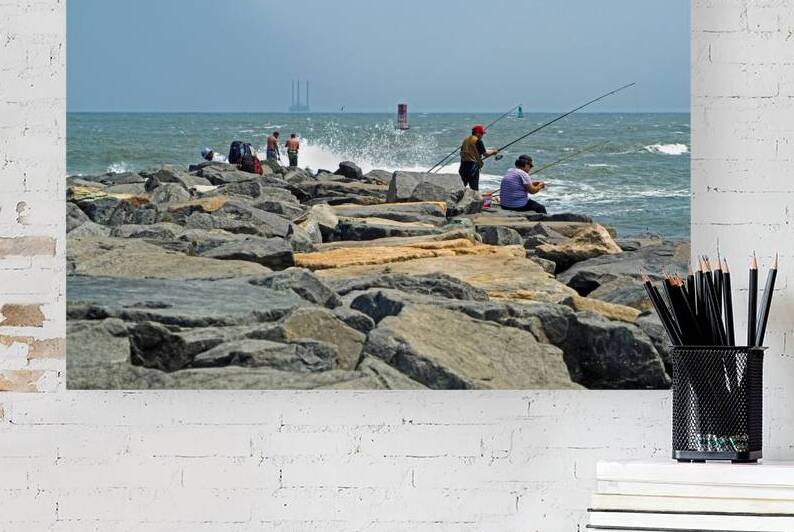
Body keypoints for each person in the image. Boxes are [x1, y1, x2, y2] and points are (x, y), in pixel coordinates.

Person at [458, 124, 498, 191]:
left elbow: (466, 151)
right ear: (477, 133)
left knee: (462, 187)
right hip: (472, 168)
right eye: (481, 133)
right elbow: (485, 154)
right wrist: (494, 152)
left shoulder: (466, 140)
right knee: (474, 189)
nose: (482, 135)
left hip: (463, 167)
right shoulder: (478, 141)